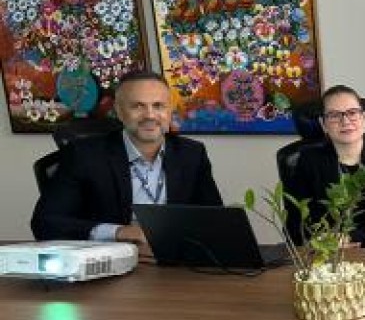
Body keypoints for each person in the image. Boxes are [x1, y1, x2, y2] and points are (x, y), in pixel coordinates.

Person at [31, 70, 223, 251]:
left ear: (169, 110)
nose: (150, 115)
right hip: (111, 260)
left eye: (158, 106)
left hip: (175, 261)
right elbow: (45, 222)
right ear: (119, 111)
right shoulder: (83, 155)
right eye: (138, 106)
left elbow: (215, 221)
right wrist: (119, 232)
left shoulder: (191, 154)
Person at [286, 84, 365, 249]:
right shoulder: (308, 161)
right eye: (334, 115)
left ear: (364, 118)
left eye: (352, 113)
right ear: (323, 124)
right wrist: (323, 242)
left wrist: (349, 237)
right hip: (329, 253)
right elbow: (297, 223)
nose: (345, 121)